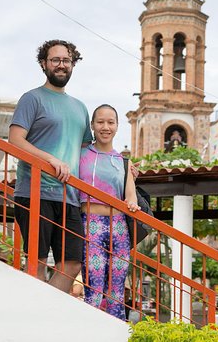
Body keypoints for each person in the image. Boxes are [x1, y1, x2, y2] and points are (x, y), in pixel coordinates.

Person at [10, 39, 93, 293]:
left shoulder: (80, 107)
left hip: (69, 197)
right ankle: (34, 320)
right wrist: (50, 159)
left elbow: (85, 152)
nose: (61, 65)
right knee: (37, 262)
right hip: (36, 192)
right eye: (55, 60)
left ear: (73, 64)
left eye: (66, 60)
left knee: (71, 264)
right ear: (44, 64)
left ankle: (46, 307)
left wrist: (123, 169)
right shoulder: (32, 99)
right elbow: (15, 140)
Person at [79, 104, 140, 321]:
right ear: (93, 126)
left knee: (116, 289)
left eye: (111, 122)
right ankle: (92, 331)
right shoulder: (81, 154)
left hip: (119, 226)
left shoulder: (123, 161)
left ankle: (115, 333)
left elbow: (130, 194)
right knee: (93, 288)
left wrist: (132, 204)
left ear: (117, 126)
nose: (106, 127)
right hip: (90, 223)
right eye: (101, 122)